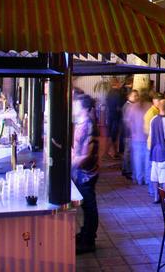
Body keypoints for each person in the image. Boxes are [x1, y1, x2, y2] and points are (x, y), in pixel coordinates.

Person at [72, 95, 100, 254]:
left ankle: (89, 239)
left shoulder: (89, 125)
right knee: (86, 206)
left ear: (83, 108)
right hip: (81, 171)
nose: (74, 107)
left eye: (76, 105)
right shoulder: (81, 123)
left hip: (87, 172)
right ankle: (86, 233)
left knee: (89, 207)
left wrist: (74, 162)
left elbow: (89, 153)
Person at [149, 99, 165, 203]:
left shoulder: (153, 119)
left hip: (155, 151)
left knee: (155, 175)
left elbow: (151, 135)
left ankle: (156, 196)